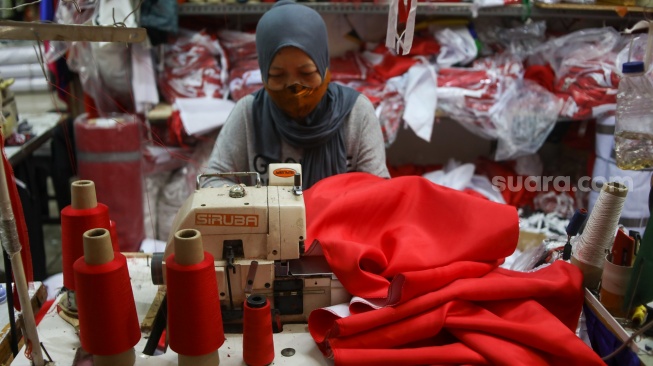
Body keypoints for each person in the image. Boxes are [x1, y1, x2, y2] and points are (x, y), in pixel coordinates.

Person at [203, 0, 390, 189]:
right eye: (277, 75)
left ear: (324, 66)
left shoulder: (356, 113)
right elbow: (213, 180)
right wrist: (246, 200)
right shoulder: (249, 113)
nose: (295, 88)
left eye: (307, 73)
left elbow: (379, 190)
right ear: (263, 74)